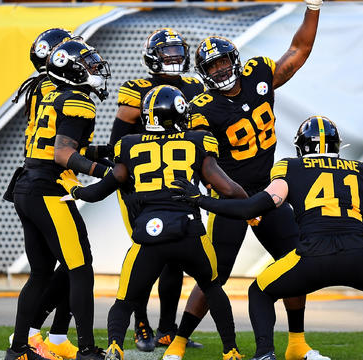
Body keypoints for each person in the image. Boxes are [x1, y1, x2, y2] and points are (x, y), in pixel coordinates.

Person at [171, 116, 363, 360]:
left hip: (311, 258)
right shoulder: (360, 172)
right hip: (360, 258)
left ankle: (264, 353)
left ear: (300, 146)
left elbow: (251, 207)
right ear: (337, 145)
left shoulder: (290, 169)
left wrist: (200, 200)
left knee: (259, 290)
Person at [166, 1, 326, 359]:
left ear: (235, 60)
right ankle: (176, 345)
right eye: (213, 65)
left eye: (224, 61)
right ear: (204, 73)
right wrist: (242, 203)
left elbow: (300, 49)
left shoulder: (258, 74)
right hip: (229, 196)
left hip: (265, 190)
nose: (221, 68)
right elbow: (207, 166)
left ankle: (297, 344)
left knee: (292, 258)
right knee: (215, 274)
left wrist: (313, 7)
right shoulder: (203, 108)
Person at [56, 85, 247, 360]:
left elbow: (101, 191)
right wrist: (252, 206)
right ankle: (231, 350)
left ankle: (115, 347)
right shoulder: (198, 140)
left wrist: (75, 191)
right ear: (181, 112)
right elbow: (228, 189)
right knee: (213, 288)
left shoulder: (130, 145)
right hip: (189, 232)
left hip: (148, 236)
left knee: (124, 301)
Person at [6, 39, 111, 360]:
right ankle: (87, 350)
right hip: (49, 190)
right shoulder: (78, 100)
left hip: (27, 184)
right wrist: (105, 172)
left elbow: (58, 147)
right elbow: (64, 153)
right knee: (80, 268)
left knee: (42, 273)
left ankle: (19, 349)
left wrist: (105, 153)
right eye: (90, 66)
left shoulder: (54, 96)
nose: (95, 71)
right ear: (74, 71)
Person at [108, 27, 205, 352]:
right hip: (142, 187)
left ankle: (167, 329)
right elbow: (117, 144)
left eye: (179, 51)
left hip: (177, 184)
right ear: (153, 57)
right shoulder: (136, 89)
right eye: (168, 52)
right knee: (148, 252)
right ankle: (140, 324)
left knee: (175, 257)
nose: (175, 57)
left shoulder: (193, 86)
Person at [7, 28, 82, 360]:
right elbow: (60, 146)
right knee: (75, 263)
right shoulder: (57, 89)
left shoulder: (42, 88)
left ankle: (44, 336)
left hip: (39, 178)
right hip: (50, 182)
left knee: (60, 265)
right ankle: (37, 335)